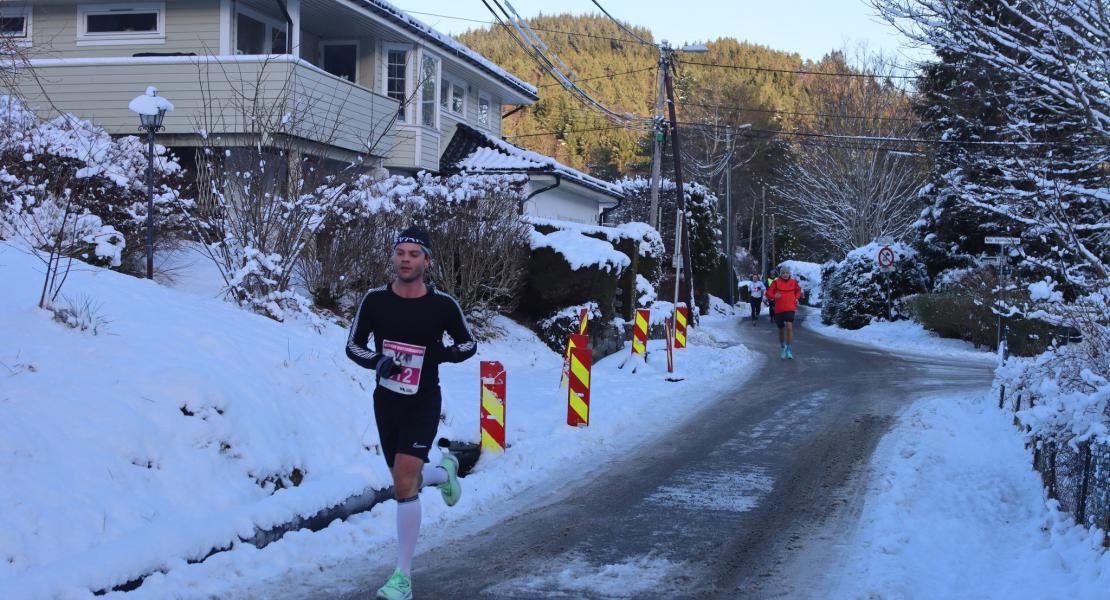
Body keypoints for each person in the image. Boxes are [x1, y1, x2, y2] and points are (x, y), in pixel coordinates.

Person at [346, 226, 477, 600]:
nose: (405, 259)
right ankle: (444, 471)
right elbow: (352, 346)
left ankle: (402, 576)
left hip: (423, 401)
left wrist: (442, 354)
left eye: (413, 253)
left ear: (427, 261)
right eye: (400, 252)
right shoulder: (374, 301)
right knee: (410, 479)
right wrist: (378, 361)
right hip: (387, 401)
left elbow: (468, 343)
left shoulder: (442, 305)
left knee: (403, 483)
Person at [766, 266, 802, 359]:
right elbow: (768, 293)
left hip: (790, 308)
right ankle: (783, 347)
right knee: (781, 330)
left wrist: (797, 298)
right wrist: (774, 296)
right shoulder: (776, 282)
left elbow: (798, 291)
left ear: (789, 273)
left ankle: (789, 348)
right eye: (783, 273)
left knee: (789, 327)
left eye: (787, 273)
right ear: (781, 274)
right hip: (779, 309)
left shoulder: (793, 282)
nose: (785, 274)